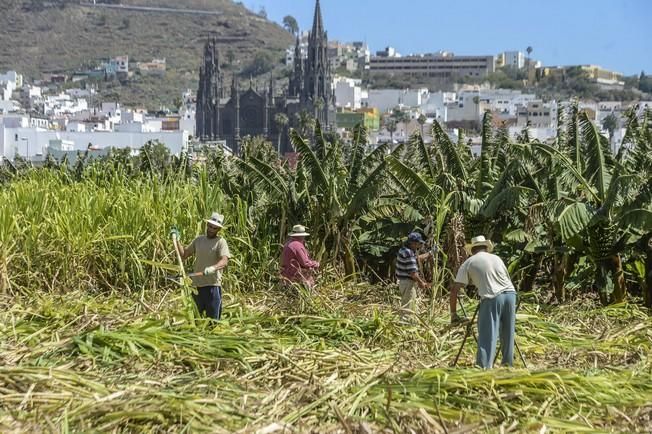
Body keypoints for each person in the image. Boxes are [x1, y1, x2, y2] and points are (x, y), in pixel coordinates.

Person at [449, 235, 516, 368]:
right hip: (511, 295)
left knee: (487, 334)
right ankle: (508, 365)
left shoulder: (469, 262)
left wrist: (453, 314)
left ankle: (484, 368)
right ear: (486, 248)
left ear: (472, 250)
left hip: (492, 298)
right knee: (508, 333)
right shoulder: (497, 258)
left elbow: (454, 291)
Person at [171, 212, 231, 320]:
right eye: (210, 226)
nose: (211, 229)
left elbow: (224, 260)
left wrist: (213, 268)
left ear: (218, 230)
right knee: (196, 319)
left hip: (212, 287)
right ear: (207, 225)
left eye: (214, 228)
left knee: (212, 321)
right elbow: (184, 255)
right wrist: (177, 239)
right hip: (197, 288)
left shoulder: (221, 242)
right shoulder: (199, 240)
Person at [395, 232, 431, 317]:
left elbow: (417, 259)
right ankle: (407, 325)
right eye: (419, 243)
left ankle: (405, 322)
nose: (420, 245)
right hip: (408, 283)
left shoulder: (404, 250)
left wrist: (430, 253)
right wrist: (421, 282)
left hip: (403, 282)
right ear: (413, 243)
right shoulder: (409, 253)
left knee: (406, 304)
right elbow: (413, 273)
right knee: (409, 308)